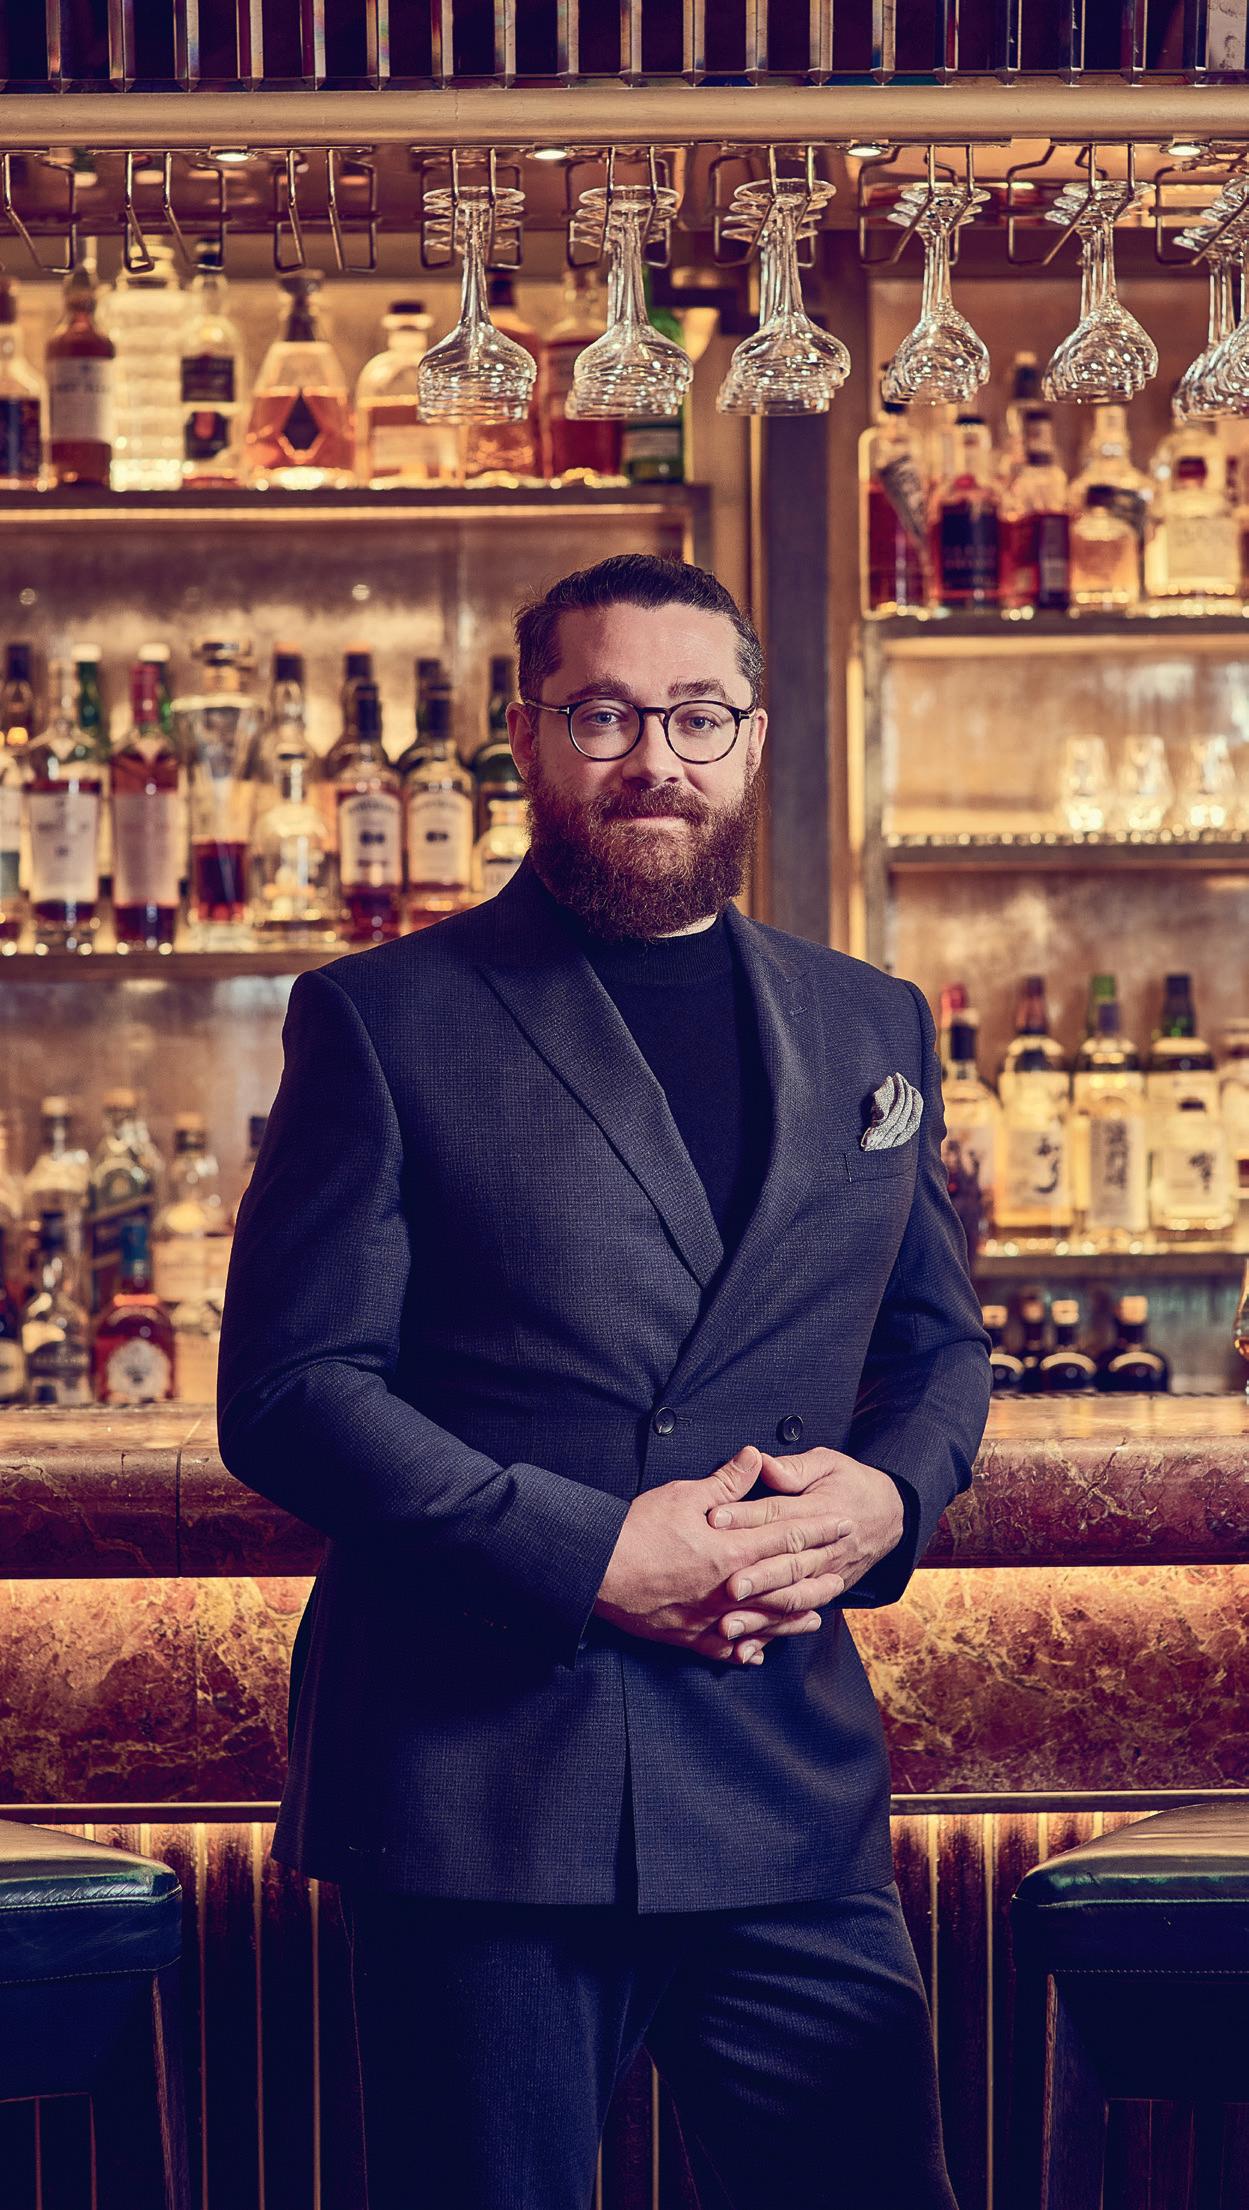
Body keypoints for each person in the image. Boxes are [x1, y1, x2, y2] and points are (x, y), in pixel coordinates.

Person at [217, 552, 991, 2210]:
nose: (657, 757)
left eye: (697, 715)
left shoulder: (871, 1023)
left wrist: (885, 1495)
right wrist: (590, 1552)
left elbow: (932, 1347)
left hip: (779, 1773)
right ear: (526, 733)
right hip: (482, 1778)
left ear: (754, 736)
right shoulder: (379, 1016)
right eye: (604, 714)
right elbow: (290, 1387)